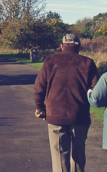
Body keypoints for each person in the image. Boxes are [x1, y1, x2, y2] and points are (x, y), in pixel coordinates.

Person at [34, 33, 100, 172]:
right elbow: (96, 89)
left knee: (59, 155)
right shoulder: (88, 63)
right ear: (79, 47)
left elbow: (39, 87)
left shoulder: (50, 61)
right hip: (80, 115)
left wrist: (40, 108)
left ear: (62, 46)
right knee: (78, 154)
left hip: (55, 115)